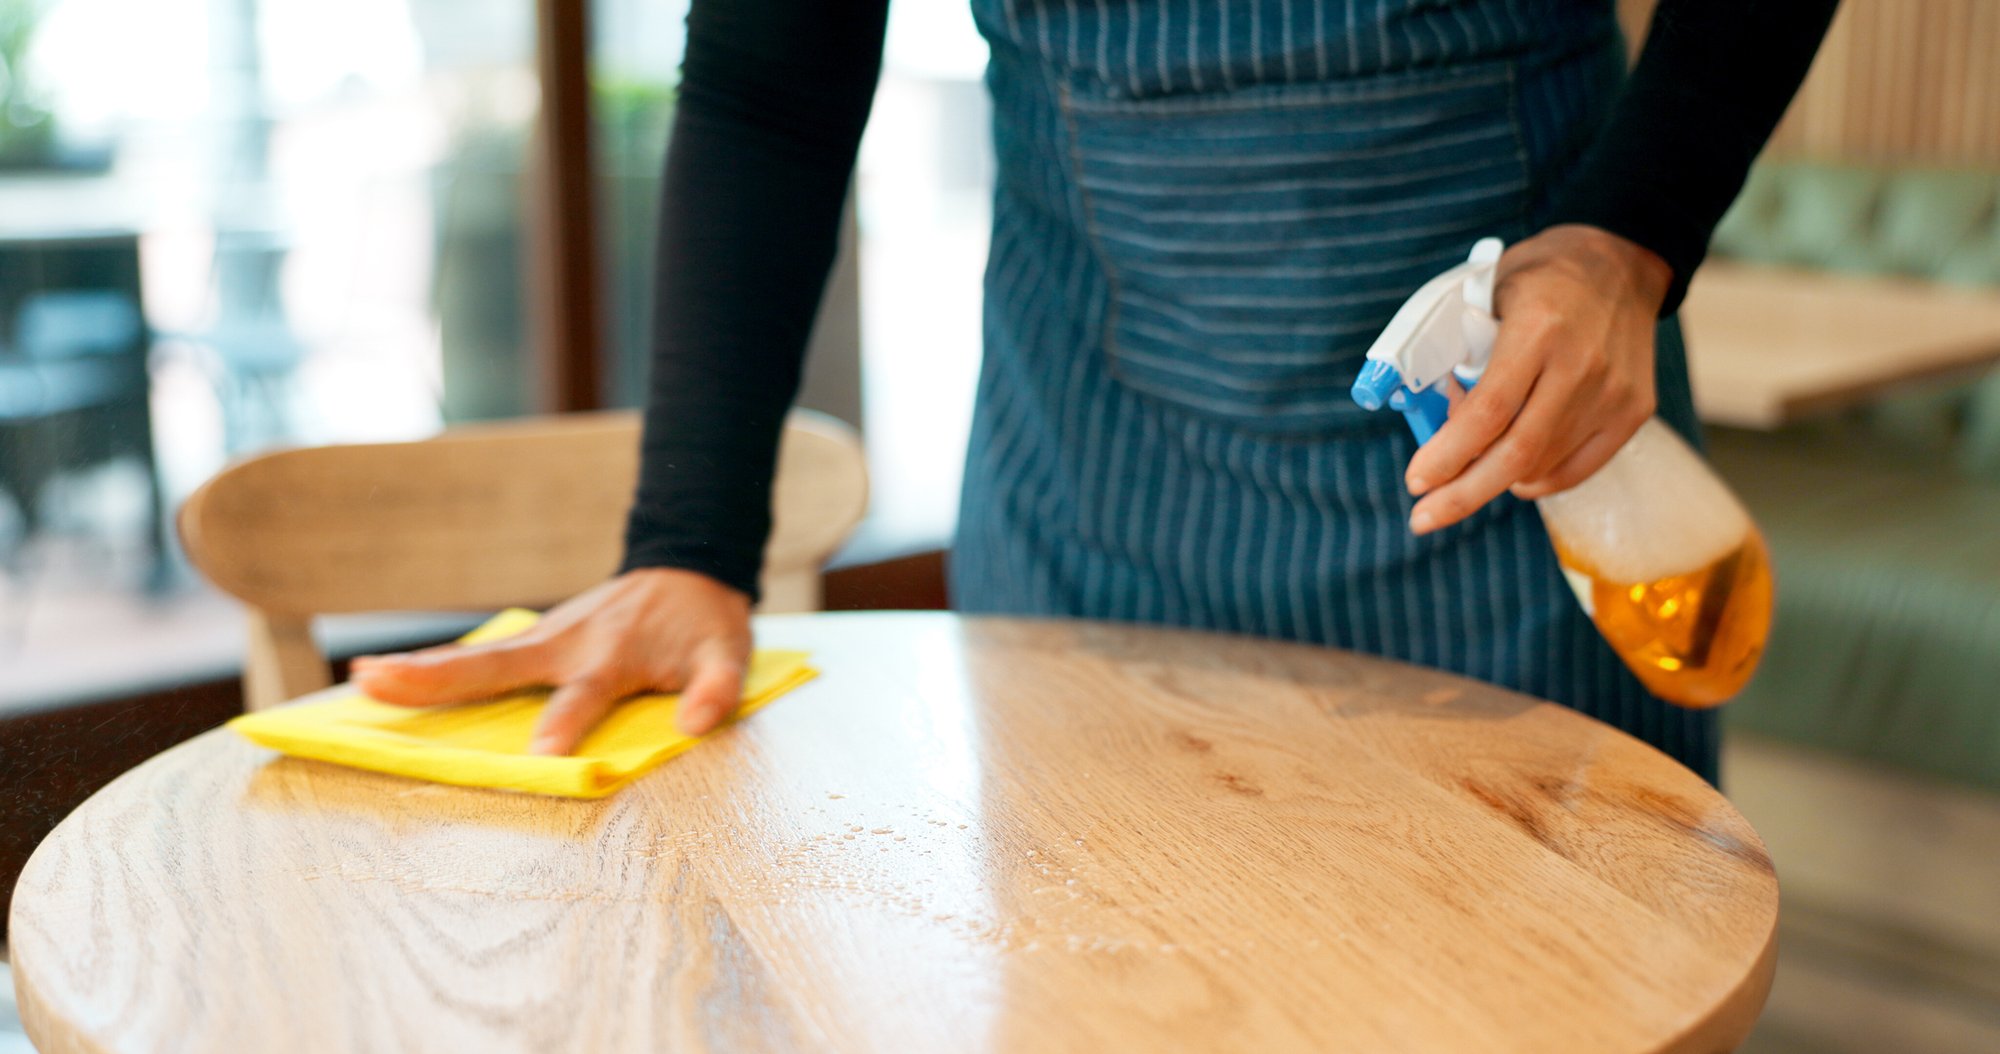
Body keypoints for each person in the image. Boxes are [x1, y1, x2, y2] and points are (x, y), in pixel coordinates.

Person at [352, 0, 1838, 783]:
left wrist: (1630, 236)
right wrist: (687, 540)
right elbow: (771, 80)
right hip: (1090, 479)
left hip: (1515, 460)